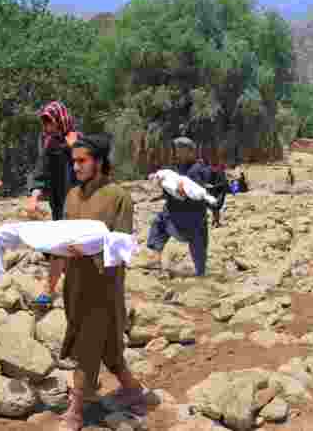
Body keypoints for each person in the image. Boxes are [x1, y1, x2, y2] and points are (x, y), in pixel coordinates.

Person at [56, 133, 147, 431]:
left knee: (87, 346)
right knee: (108, 349)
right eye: (74, 162)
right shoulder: (71, 196)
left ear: (99, 161)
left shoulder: (119, 197)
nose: (76, 167)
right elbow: (62, 241)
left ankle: (76, 409)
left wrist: (91, 248)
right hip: (76, 284)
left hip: (104, 287)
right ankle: (133, 391)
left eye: (82, 161)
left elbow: (122, 248)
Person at [25, 101, 80, 306]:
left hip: (82, 204)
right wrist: (33, 197)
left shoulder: (79, 140)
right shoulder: (49, 145)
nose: (47, 127)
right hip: (60, 204)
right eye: (45, 122)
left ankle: (52, 290)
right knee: (60, 246)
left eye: (50, 122)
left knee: (70, 246)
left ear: (61, 120)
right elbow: (41, 173)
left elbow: (92, 167)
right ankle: (53, 288)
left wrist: (75, 147)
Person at [145, 137, 213, 277]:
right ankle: (156, 260)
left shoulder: (199, 169)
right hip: (173, 214)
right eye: (177, 151)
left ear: (191, 152)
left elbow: (200, 192)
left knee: (199, 251)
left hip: (194, 219)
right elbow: (169, 187)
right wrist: (161, 182)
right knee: (159, 224)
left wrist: (184, 191)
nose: (178, 154)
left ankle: (201, 276)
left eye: (181, 151)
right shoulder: (176, 169)